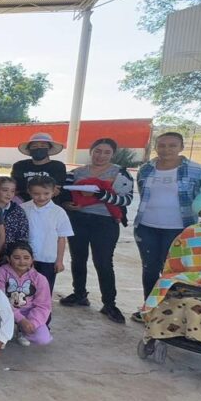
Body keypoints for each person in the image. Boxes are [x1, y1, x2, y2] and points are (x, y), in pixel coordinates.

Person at [132, 132, 201, 322]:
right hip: (147, 227)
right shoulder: (146, 169)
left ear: (181, 147)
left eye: (172, 145)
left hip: (179, 230)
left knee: (174, 272)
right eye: (162, 145)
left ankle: (173, 315)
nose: (166, 150)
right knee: (150, 269)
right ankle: (150, 310)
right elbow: (143, 193)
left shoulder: (197, 170)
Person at [58, 138, 134, 323]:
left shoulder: (120, 173)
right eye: (97, 151)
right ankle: (79, 294)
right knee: (78, 258)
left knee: (103, 262)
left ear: (113, 154)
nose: (101, 155)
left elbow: (126, 200)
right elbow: (65, 195)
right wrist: (68, 204)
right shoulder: (76, 173)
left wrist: (101, 194)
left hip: (105, 222)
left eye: (107, 152)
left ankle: (109, 303)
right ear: (91, 151)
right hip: (79, 220)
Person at [21, 176, 73, 295]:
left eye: (46, 193)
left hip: (48, 259)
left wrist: (59, 261)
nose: (41, 197)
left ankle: (44, 308)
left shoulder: (59, 212)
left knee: (44, 291)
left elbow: (61, 238)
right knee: (24, 290)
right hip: (24, 259)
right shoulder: (23, 208)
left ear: (53, 191)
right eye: (36, 194)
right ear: (29, 192)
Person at [0, 243, 52, 346]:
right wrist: (20, 319)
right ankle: (4, 333)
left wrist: (32, 322)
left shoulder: (40, 279)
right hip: (5, 310)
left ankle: (22, 331)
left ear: (32, 259)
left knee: (42, 338)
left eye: (26, 258)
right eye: (17, 258)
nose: (22, 261)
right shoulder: (1, 272)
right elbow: (0, 300)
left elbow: (43, 305)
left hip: (28, 313)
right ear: (8, 259)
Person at [11, 132, 67, 201]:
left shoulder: (57, 166)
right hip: (22, 202)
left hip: (48, 203)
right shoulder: (19, 165)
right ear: (29, 149)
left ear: (49, 149)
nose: (38, 148)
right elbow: (15, 187)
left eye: (43, 146)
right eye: (34, 146)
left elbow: (55, 190)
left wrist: (27, 190)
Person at [0, 177, 29, 246]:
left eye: (12, 191)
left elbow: (22, 237)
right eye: (5, 190)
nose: (9, 194)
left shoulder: (18, 211)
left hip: (10, 250)